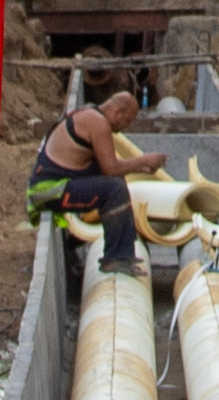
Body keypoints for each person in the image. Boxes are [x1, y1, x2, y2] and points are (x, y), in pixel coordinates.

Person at [32, 79, 166, 267]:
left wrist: (141, 168)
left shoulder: (89, 115)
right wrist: (143, 160)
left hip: (51, 187)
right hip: (48, 191)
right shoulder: (97, 122)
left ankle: (93, 246)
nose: (125, 127)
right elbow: (111, 168)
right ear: (117, 112)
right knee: (114, 189)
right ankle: (116, 258)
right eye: (127, 120)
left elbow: (108, 168)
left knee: (114, 182)